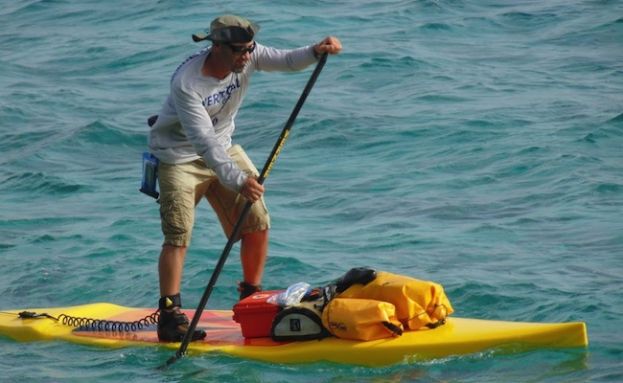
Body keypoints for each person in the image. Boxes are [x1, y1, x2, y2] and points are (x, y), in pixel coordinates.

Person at [147, 14, 342, 342]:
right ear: (217, 47)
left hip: (222, 148)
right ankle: (169, 316)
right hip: (179, 156)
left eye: (250, 49)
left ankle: (250, 297)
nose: (247, 56)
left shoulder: (247, 57)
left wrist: (315, 50)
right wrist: (238, 180)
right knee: (177, 235)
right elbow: (203, 141)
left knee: (258, 221)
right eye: (239, 50)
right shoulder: (186, 83)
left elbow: (286, 60)